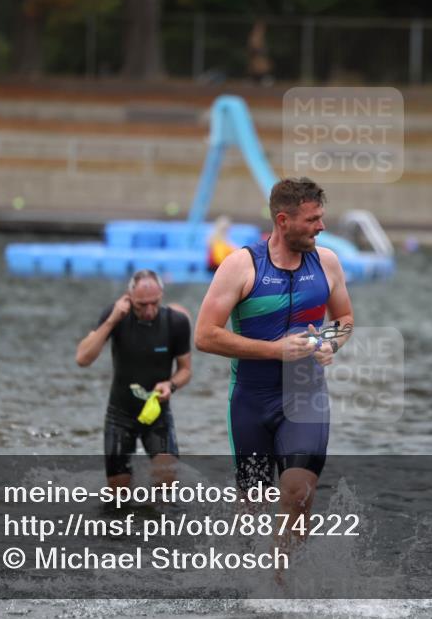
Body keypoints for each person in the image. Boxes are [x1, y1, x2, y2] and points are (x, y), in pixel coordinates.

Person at [195, 177, 353, 548]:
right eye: (312, 219)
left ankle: (286, 588)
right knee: (253, 505)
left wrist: (332, 343)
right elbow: (204, 335)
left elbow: (344, 320)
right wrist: (275, 350)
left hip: (305, 397)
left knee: (298, 491)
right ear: (283, 221)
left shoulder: (327, 262)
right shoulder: (241, 266)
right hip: (251, 399)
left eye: (321, 217)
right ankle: (249, 581)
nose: (322, 227)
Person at [75, 269, 192, 491]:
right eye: (141, 305)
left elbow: (185, 370)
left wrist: (171, 384)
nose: (149, 310)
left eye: (154, 303)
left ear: (161, 296)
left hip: (157, 414)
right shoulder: (115, 316)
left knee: (166, 485)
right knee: (118, 495)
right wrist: (111, 320)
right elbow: (82, 358)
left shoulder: (176, 322)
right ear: (129, 298)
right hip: (120, 415)